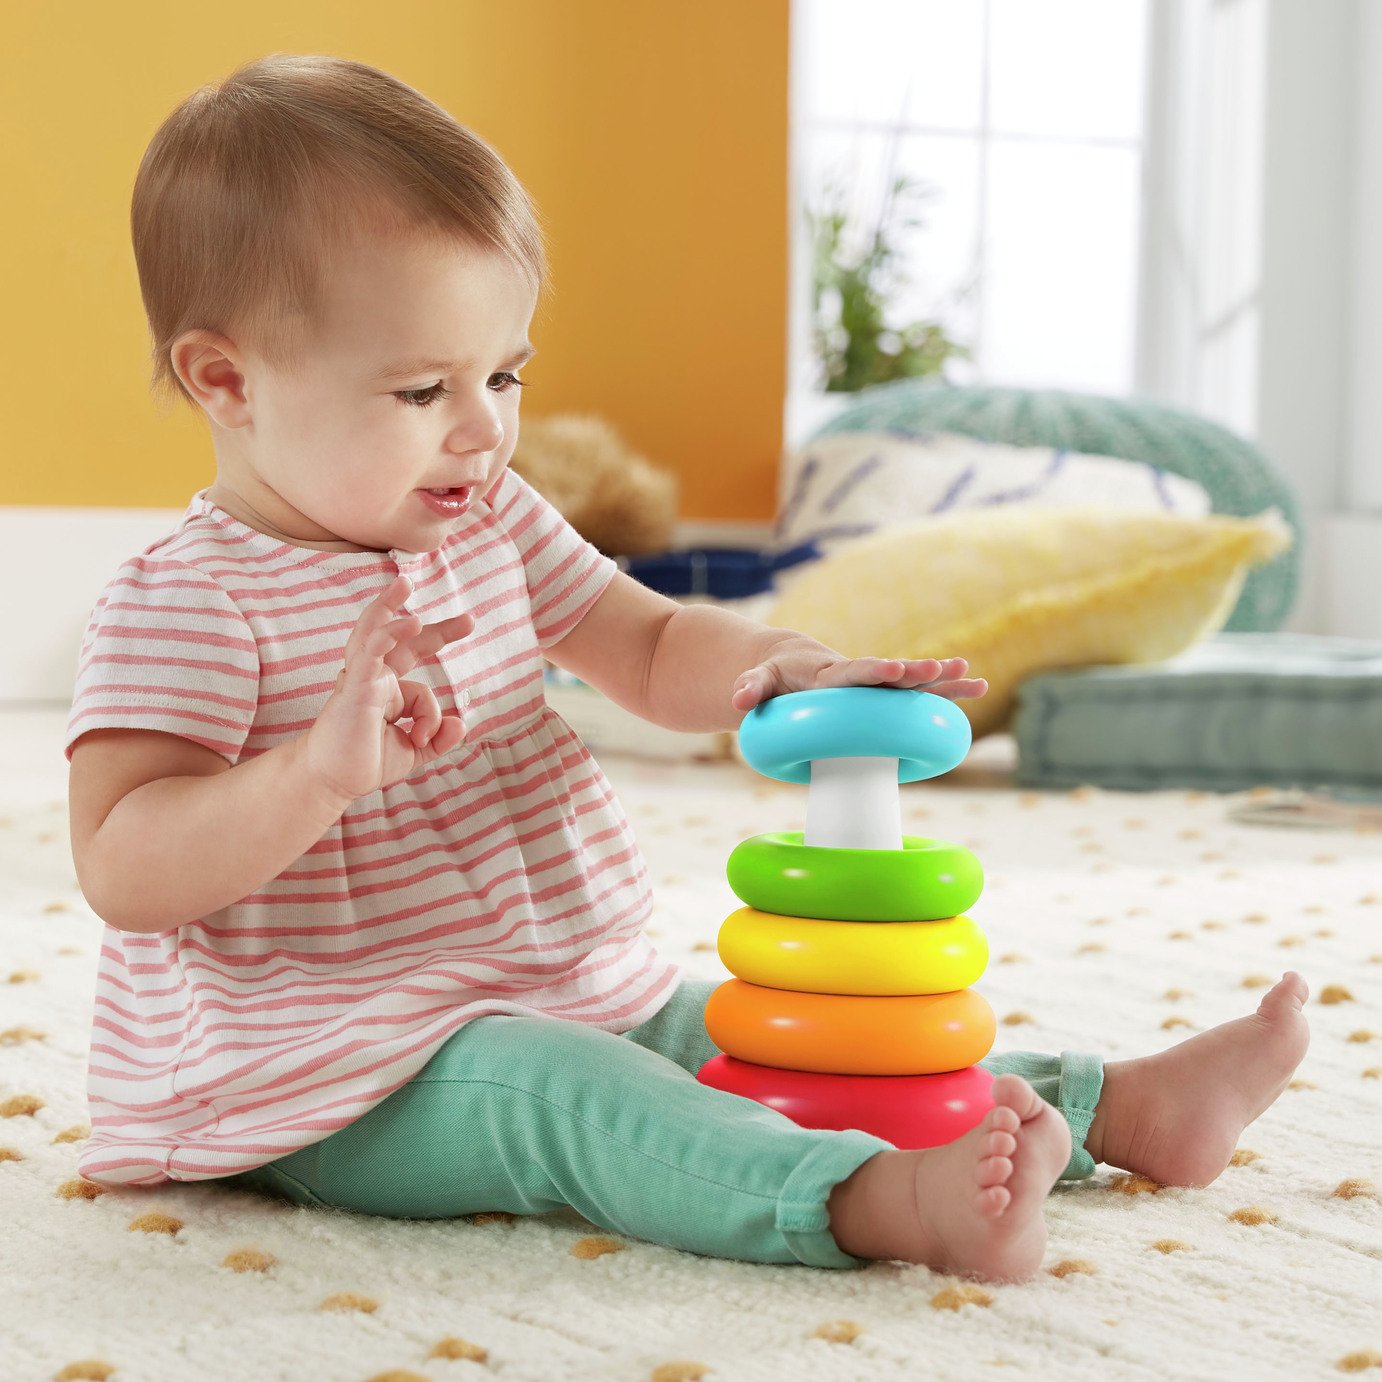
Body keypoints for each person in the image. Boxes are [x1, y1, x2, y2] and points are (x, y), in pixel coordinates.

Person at [64, 54, 1311, 1284]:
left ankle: (1116, 1110)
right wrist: (314, 774)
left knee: (758, 1024)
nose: (483, 426)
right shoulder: (189, 600)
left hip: (562, 978)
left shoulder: (486, 515)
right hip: (327, 1066)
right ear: (224, 379)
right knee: (567, 1093)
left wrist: (781, 662)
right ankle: (874, 1198)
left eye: (502, 373)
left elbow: (649, 641)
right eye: (419, 388)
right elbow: (124, 863)